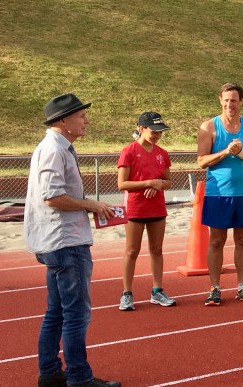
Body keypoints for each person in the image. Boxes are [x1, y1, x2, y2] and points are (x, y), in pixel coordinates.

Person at [27, 94, 121, 387]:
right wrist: (89, 204)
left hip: (57, 240)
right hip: (66, 243)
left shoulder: (57, 148)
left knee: (56, 311)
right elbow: (53, 196)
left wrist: (87, 205)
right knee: (76, 314)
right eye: (81, 116)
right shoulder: (54, 150)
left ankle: (51, 373)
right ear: (63, 121)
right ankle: (79, 378)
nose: (86, 121)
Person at [197, 83, 243, 306]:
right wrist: (226, 151)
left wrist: (241, 152)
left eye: (234, 100)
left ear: (241, 102)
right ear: (220, 100)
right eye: (226, 100)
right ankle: (215, 288)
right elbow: (201, 161)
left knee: (242, 241)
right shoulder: (209, 127)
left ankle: (242, 286)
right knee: (216, 241)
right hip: (218, 195)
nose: (229, 104)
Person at [117, 112, 175, 311]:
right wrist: (148, 183)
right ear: (141, 129)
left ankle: (157, 290)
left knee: (156, 249)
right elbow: (121, 183)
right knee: (132, 250)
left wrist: (159, 184)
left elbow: (167, 181)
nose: (157, 135)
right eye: (154, 131)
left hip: (157, 207)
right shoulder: (129, 152)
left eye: (160, 132)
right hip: (135, 208)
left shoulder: (162, 153)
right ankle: (126, 292)